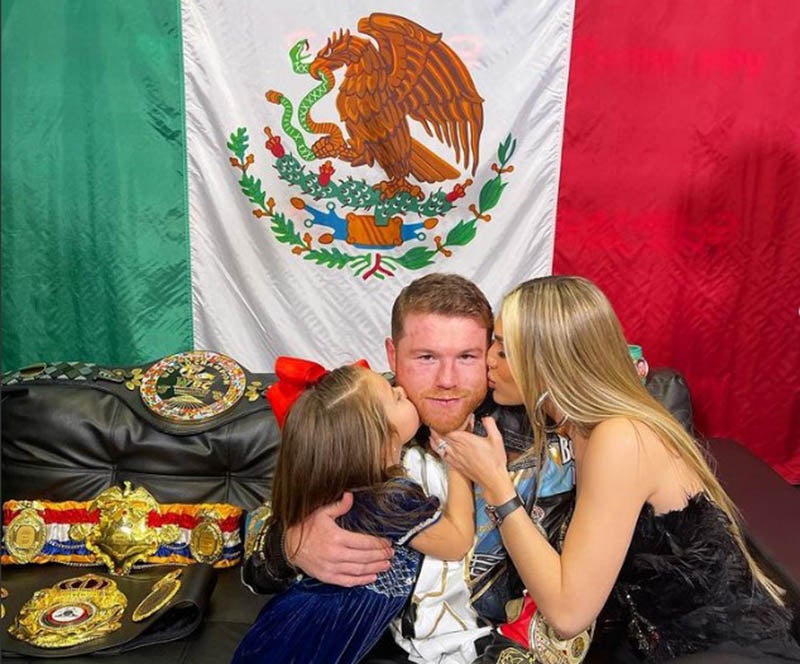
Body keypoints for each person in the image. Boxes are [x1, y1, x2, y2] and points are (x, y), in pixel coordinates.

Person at [438, 275, 800, 662]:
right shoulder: (576, 427)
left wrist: (497, 485)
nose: (488, 359)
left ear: (548, 363)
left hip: (719, 650)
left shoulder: (619, 436)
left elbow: (567, 613)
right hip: (649, 640)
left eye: (505, 351)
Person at [242, 273, 575, 663]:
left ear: (489, 353)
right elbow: (264, 525)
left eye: (466, 357)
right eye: (426, 357)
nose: (447, 381)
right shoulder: (357, 411)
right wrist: (290, 547)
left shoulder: (544, 439)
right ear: (392, 355)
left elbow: (570, 600)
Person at [232, 359, 475, 663]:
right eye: (396, 396)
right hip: (319, 639)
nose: (401, 390)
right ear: (382, 438)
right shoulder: (390, 497)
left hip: (287, 624)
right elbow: (457, 541)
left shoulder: (338, 469)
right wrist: (459, 459)